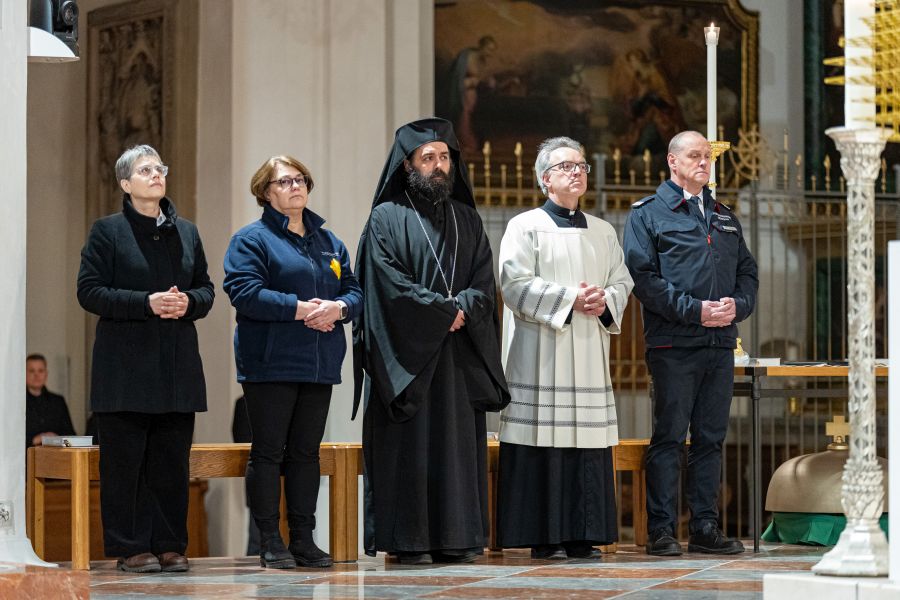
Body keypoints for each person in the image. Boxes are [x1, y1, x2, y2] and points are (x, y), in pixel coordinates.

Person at [353, 118, 509, 565]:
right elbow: (388, 285)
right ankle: (409, 541)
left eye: (444, 157)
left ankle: (458, 537)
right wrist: (445, 312)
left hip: (458, 362)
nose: (438, 166)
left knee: (457, 450)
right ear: (407, 166)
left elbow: (484, 281)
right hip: (408, 363)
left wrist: (465, 307)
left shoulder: (468, 219)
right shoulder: (385, 218)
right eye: (428, 158)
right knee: (410, 451)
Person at [77, 144, 214, 573]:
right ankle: (131, 546)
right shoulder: (108, 231)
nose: (156, 174)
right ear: (125, 183)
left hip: (176, 368)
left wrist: (187, 302)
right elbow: (89, 291)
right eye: (145, 169)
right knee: (125, 468)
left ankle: (170, 544)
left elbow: (207, 289)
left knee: (171, 465)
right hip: (125, 371)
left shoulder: (187, 233)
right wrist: (146, 302)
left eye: (160, 168)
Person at [497, 136, 634, 559]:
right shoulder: (524, 226)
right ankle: (545, 536)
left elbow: (623, 281)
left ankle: (582, 533)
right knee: (545, 442)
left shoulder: (603, 230)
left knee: (586, 445)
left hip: (589, 348)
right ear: (544, 179)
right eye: (565, 167)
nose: (576, 172)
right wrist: (568, 299)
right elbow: (513, 283)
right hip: (542, 350)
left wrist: (603, 300)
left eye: (580, 166)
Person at [623, 130, 758, 556]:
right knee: (668, 437)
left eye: (707, 157)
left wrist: (736, 306)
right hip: (674, 345)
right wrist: (694, 309)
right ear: (672, 161)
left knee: (711, 438)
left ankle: (704, 527)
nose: (704, 162)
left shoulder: (723, 214)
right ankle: (662, 529)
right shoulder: (648, 214)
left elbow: (748, 274)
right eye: (695, 156)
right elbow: (643, 279)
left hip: (719, 344)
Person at [223, 155, 362, 569]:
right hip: (270, 362)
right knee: (268, 452)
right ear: (266, 191)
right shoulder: (252, 240)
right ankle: (269, 539)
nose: (295, 187)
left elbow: (355, 290)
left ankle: (303, 537)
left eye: (300, 180)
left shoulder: (328, 241)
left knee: (306, 453)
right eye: (285, 181)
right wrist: (301, 309)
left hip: (319, 363)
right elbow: (245, 292)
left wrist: (338, 307)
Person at [25, 353, 76, 447]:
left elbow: (71, 437)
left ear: (46, 374)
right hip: (25, 458)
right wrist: (33, 439)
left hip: (55, 456)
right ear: (24, 374)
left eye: (40, 371)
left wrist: (56, 438)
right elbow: (9, 437)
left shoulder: (58, 402)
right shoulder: (17, 404)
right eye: (32, 371)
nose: (36, 375)